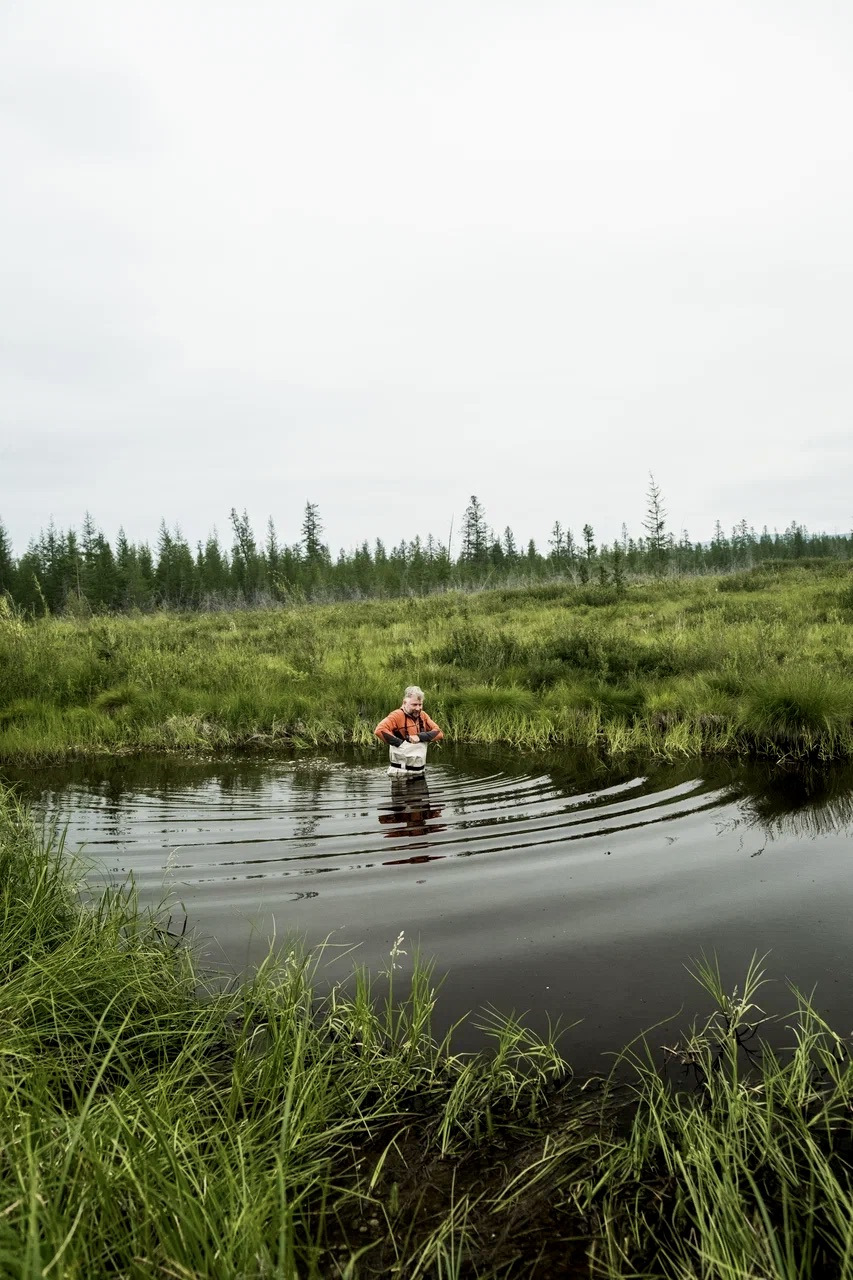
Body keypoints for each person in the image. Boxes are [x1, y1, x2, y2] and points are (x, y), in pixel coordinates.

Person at [374, 686, 443, 775]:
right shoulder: (396, 715)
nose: (418, 708)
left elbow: (439, 733)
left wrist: (420, 737)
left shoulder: (423, 716)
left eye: (420, 704)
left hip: (420, 771)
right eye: (414, 705)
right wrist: (401, 743)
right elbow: (379, 730)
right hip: (400, 773)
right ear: (404, 702)